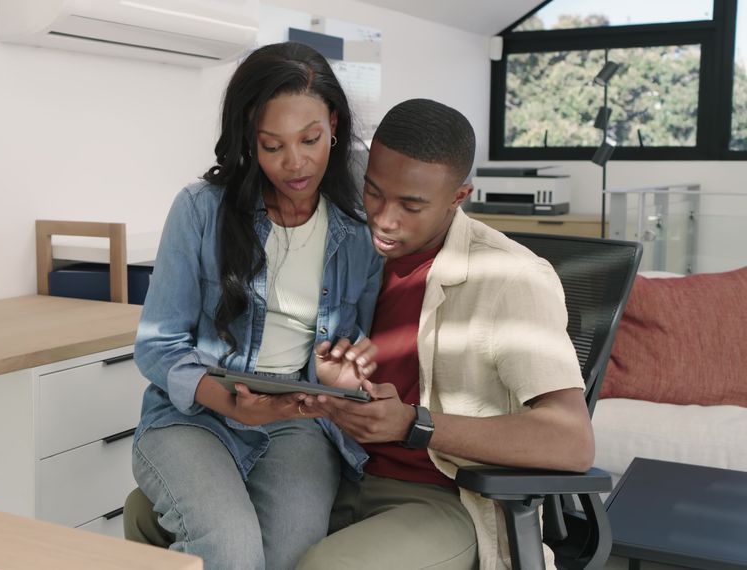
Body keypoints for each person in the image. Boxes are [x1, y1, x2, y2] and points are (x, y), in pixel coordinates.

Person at [297, 98, 595, 569]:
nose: (384, 218)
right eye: (374, 192)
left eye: (411, 205)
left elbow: (571, 442)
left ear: (459, 197)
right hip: (335, 472)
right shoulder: (351, 251)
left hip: (441, 498)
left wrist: (412, 424)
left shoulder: (513, 278)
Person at [130, 42, 383, 570]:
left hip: (299, 419)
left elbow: (358, 337)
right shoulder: (200, 209)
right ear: (250, 139)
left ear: (333, 125)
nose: (295, 162)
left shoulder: (360, 224)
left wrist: (344, 370)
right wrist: (229, 403)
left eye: (310, 139)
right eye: (272, 146)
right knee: (230, 549)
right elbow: (157, 345)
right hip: (195, 414)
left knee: (291, 559)